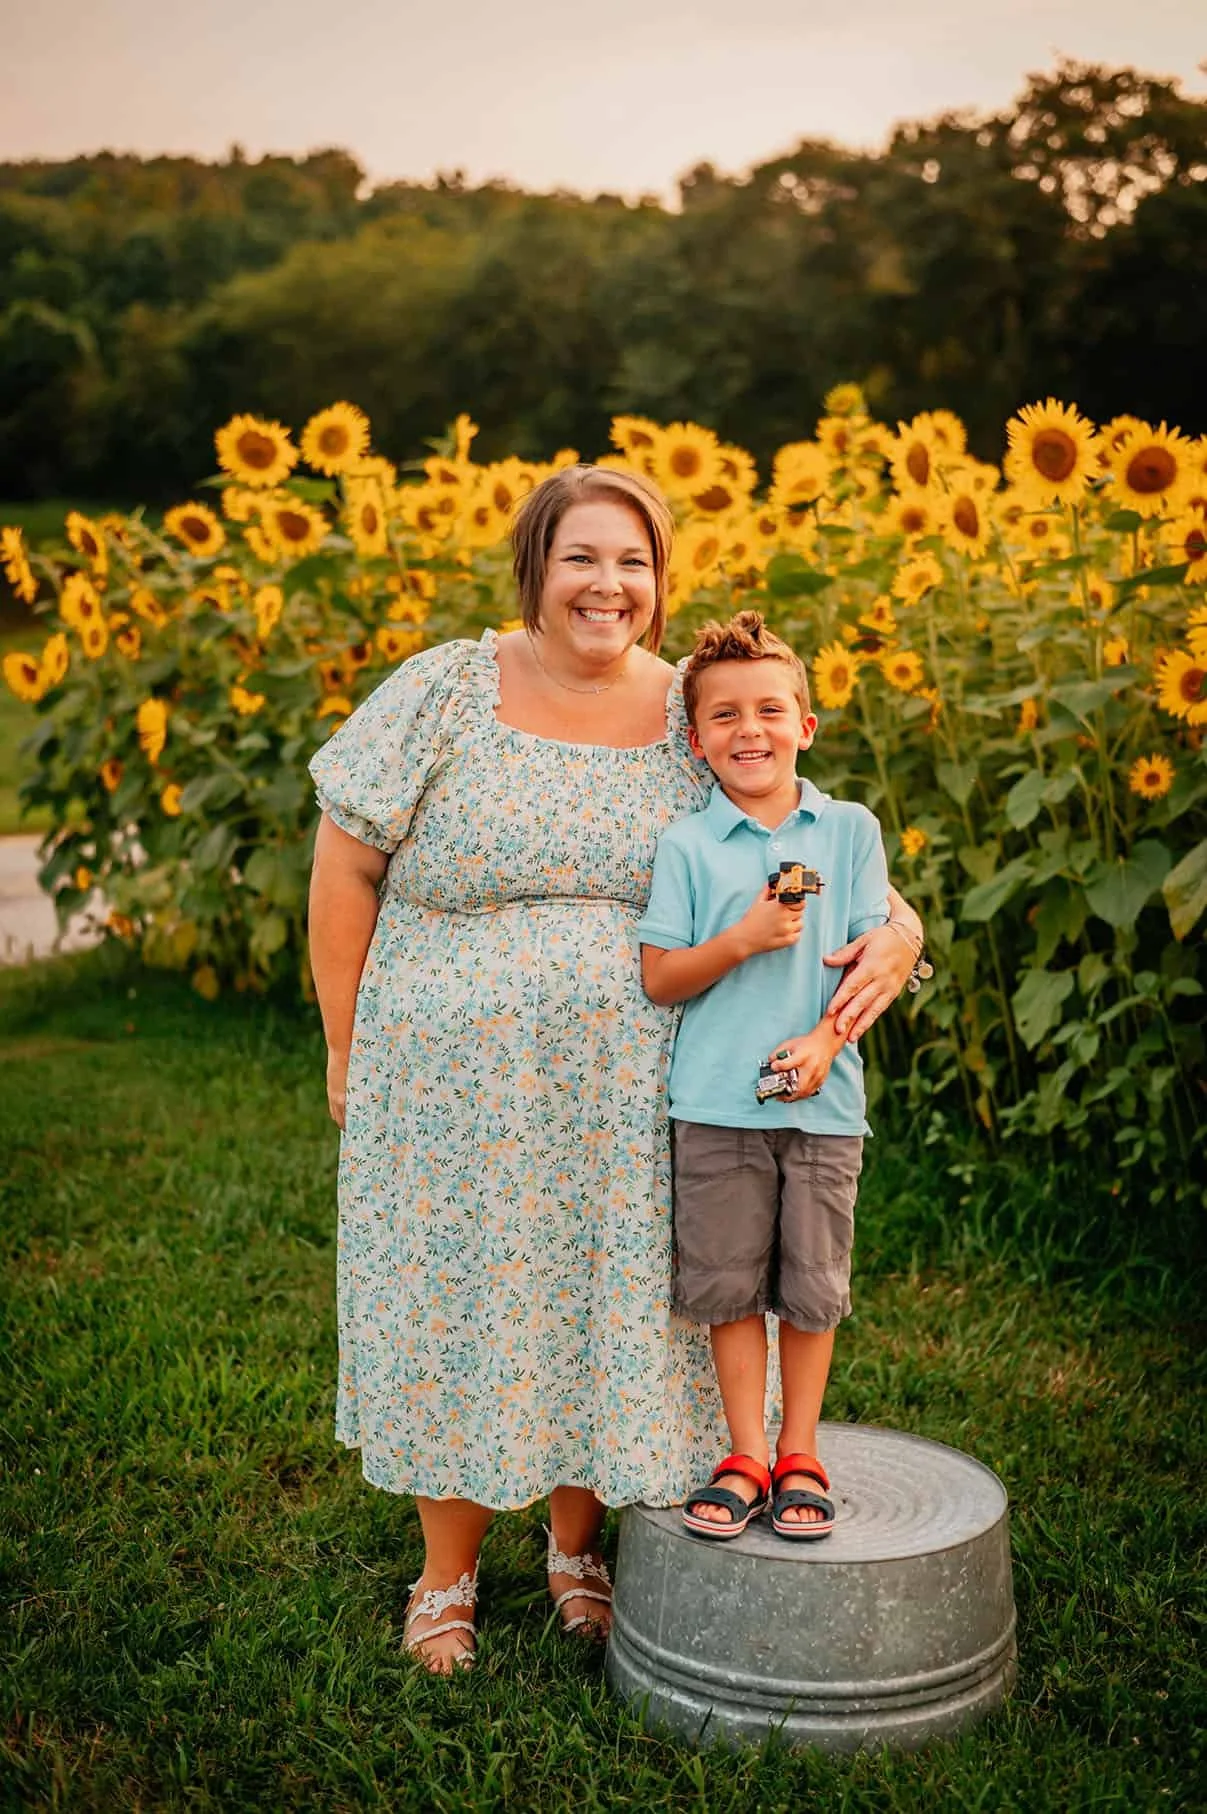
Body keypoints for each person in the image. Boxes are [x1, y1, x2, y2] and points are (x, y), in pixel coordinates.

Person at [306, 465, 922, 1672]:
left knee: (612, 1303)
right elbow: (345, 868)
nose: (608, 584)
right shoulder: (444, 687)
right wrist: (345, 1040)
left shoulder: (693, 710)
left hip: (648, 1081)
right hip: (450, 1077)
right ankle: (448, 1568)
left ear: (660, 578)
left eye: (633, 560)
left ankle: (578, 1547)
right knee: (462, 1298)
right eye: (582, 556)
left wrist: (899, 930)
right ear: (534, 564)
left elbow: (798, 828)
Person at [638, 611, 897, 1542]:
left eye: (770, 711)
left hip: (824, 1103)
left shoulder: (850, 831)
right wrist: (741, 938)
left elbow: (872, 953)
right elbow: (660, 977)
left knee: (813, 1284)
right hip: (713, 1101)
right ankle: (744, 1450)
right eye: (724, 718)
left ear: (806, 726)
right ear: (696, 740)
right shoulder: (688, 846)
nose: (750, 731)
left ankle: (800, 1449)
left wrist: (827, 1044)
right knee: (728, 1282)